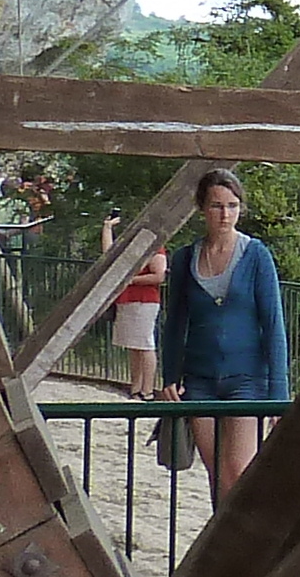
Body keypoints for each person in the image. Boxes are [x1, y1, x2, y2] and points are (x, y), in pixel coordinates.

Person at [153, 169, 287, 494]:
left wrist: (279, 395)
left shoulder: (256, 256)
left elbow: (273, 325)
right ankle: (221, 543)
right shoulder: (186, 259)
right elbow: (175, 323)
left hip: (248, 381)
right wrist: (170, 376)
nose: (225, 214)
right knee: (216, 476)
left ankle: (243, 544)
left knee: (238, 473)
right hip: (199, 381)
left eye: (232, 205)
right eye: (216, 206)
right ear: (202, 208)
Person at [107, 223, 168, 399]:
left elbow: (159, 275)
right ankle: (135, 387)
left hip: (145, 300)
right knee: (133, 346)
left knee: (145, 344)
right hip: (128, 299)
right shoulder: (130, 249)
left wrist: (131, 280)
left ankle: (147, 390)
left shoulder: (155, 248)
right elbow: (109, 255)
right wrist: (107, 229)